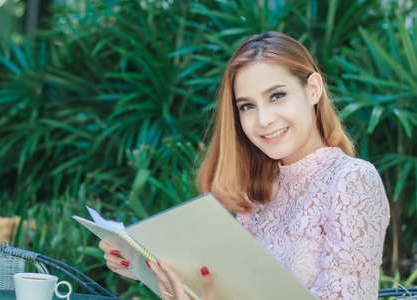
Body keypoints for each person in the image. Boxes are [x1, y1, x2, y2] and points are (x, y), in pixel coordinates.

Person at [99, 31, 390, 300]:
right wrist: (148, 269)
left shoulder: (352, 179)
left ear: (313, 89)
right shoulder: (258, 194)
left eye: (277, 96)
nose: (263, 119)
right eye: (247, 106)